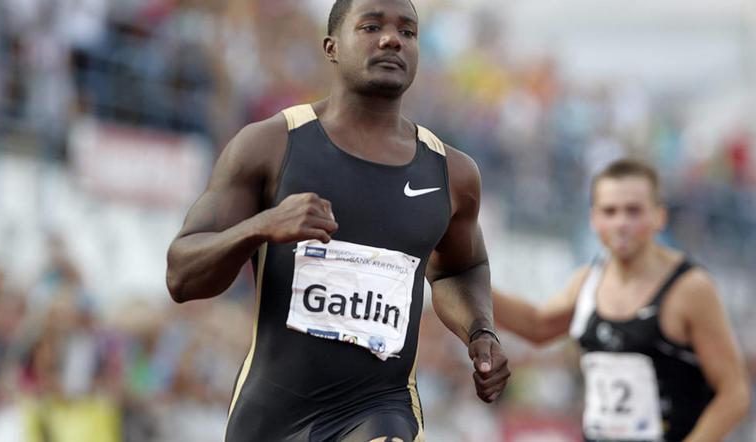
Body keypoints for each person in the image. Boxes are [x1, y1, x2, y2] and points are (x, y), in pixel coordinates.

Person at [165, 1, 510, 441]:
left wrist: (482, 332)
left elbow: (462, 267)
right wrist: (262, 227)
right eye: (371, 26)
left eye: (408, 31)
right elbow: (181, 276)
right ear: (330, 47)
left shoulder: (451, 174)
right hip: (273, 414)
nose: (391, 39)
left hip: (381, 409)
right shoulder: (269, 145)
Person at [492, 158, 750, 441]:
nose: (621, 223)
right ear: (594, 219)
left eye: (633, 211)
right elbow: (537, 326)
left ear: (659, 216)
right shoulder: (587, 282)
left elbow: (734, 392)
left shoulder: (689, 289)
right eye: (610, 211)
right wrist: (466, 280)